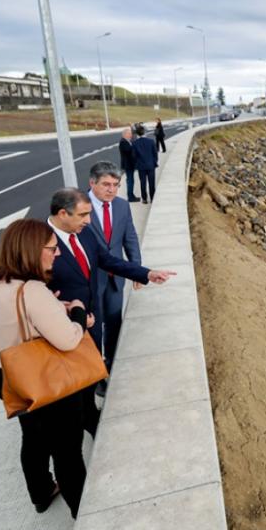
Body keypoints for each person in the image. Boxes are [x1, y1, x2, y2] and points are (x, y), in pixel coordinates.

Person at [0, 218, 93, 518]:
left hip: (5, 377)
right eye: (52, 248)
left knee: (34, 437)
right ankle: (84, 514)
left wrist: (50, 309)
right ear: (31, 250)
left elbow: (13, 318)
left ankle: (40, 492)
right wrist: (79, 314)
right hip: (43, 381)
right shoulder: (33, 291)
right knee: (67, 452)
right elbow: (68, 340)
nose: (58, 253)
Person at [46, 188, 176, 434]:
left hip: (92, 321)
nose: (88, 220)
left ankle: (90, 415)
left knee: (89, 375)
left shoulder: (83, 234)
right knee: (71, 386)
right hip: (63, 329)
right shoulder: (38, 242)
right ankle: (80, 421)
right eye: (83, 215)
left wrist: (146, 273)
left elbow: (107, 261)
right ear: (63, 214)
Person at [86, 162, 142, 383]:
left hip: (115, 279)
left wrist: (136, 270)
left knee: (114, 323)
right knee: (93, 329)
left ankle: (110, 365)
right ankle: (95, 374)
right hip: (90, 281)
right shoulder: (79, 206)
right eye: (106, 184)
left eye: (116, 185)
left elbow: (130, 238)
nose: (112, 189)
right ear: (92, 183)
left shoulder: (121, 206)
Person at [132, 125, 159, 204]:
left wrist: (137, 163)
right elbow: (155, 153)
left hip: (141, 166)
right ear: (144, 132)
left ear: (137, 134)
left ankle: (144, 199)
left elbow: (134, 156)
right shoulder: (151, 141)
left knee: (142, 183)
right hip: (151, 165)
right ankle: (152, 198)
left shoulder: (135, 143)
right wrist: (154, 162)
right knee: (152, 183)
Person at [118, 127, 139, 202]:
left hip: (130, 164)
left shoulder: (128, 141)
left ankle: (132, 195)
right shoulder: (123, 142)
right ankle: (130, 197)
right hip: (128, 165)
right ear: (125, 134)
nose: (131, 135)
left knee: (131, 180)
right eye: (129, 134)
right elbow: (129, 150)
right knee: (130, 181)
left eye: (131, 133)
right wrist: (134, 145)